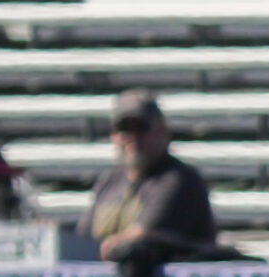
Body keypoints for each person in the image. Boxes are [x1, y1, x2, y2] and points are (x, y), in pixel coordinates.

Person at [84, 90, 220, 265]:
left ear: (162, 131)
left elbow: (141, 239)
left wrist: (109, 245)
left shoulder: (179, 180)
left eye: (141, 127)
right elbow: (83, 239)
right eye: (124, 128)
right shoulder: (110, 181)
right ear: (114, 135)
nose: (133, 137)